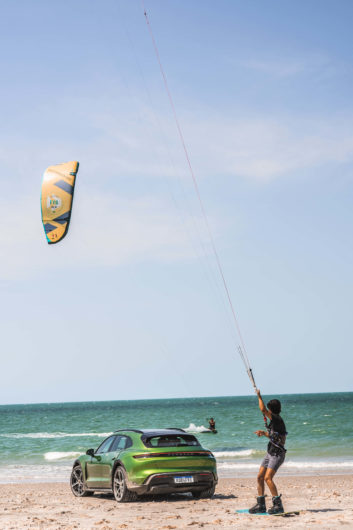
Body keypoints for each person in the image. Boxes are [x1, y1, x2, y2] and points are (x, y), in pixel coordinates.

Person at [249, 389, 287, 515]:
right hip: (270, 452)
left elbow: (262, 410)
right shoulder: (275, 422)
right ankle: (261, 505)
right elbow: (275, 437)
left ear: (272, 410)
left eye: (269, 409)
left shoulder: (277, 419)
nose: (267, 411)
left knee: (268, 478)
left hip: (277, 454)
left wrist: (259, 396)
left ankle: (278, 505)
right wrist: (264, 433)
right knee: (260, 477)